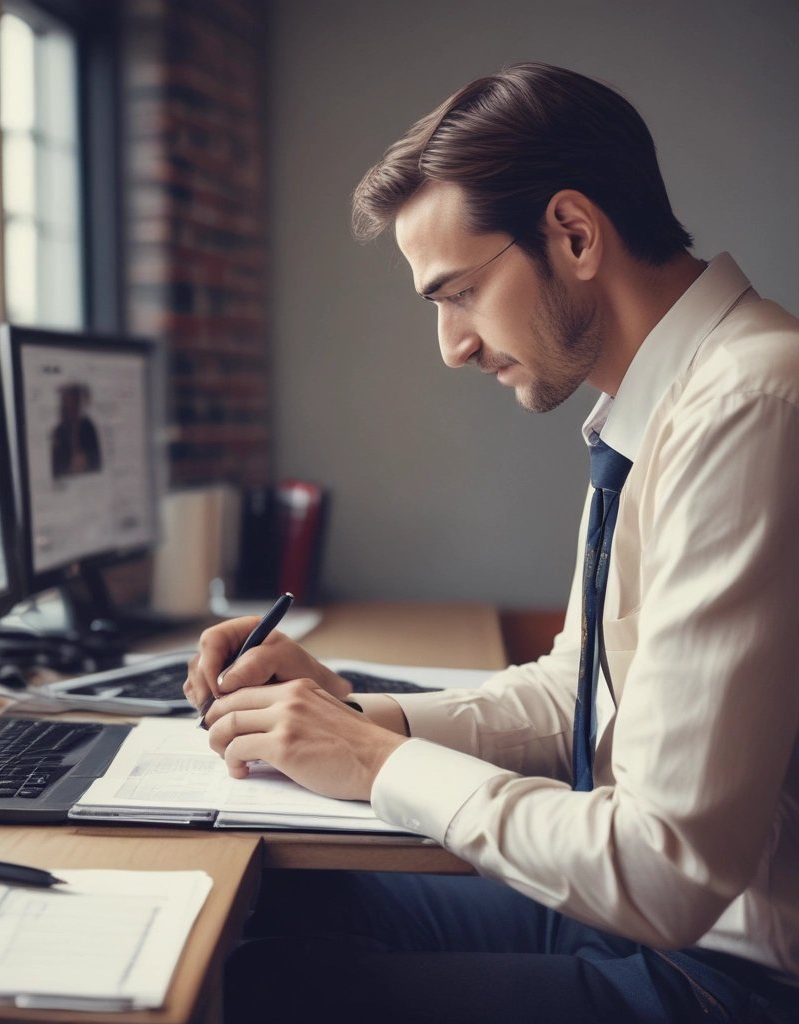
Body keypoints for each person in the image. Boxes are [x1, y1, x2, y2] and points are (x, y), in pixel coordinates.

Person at [183, 63, 799, 1023]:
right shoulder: (658, 405)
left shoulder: (750, 406)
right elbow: (574, 696)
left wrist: (377, 764)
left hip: (731, 974)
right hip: (658, 930)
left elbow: (665, 870)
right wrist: (353, 716)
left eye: (459, 292)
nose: (451, 345)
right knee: (287, 909)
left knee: (264, 989)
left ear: (575, 233)